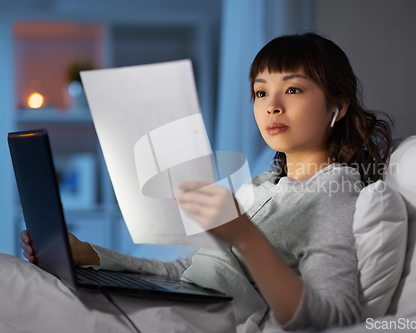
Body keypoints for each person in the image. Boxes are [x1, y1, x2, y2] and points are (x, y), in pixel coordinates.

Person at [20, 32, 393, 331]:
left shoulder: (334, 195)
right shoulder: (261, 185)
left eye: (293, 89)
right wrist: (94, 256)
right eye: (261, 92)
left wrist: (244, 236)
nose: (271, 105)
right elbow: (187, 272)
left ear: (337, 107)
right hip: (180, 305)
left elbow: (333, 316)